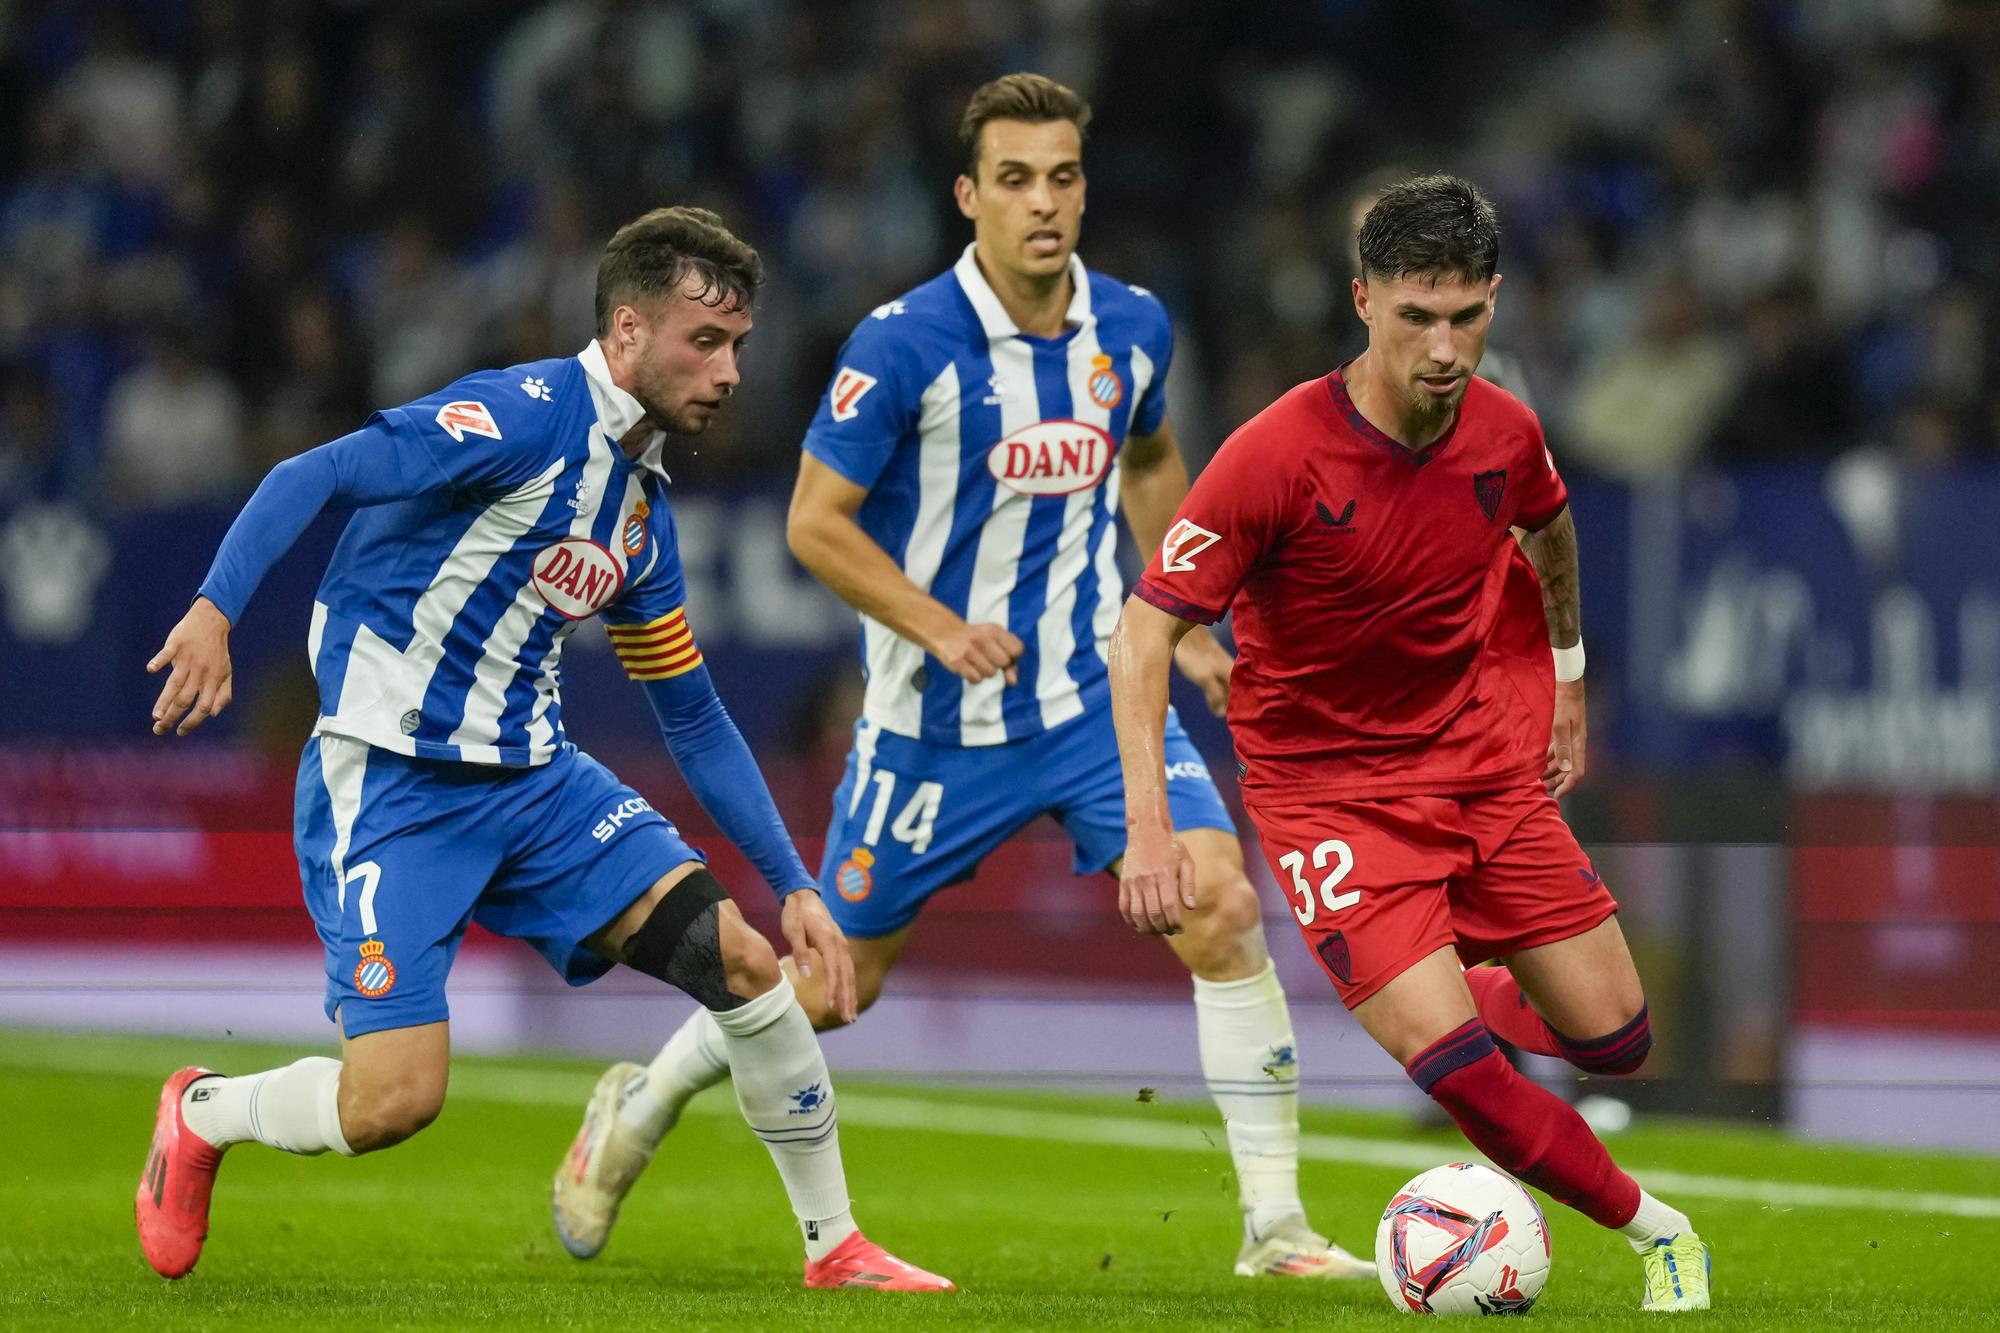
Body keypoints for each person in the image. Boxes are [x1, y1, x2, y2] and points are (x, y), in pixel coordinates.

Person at [554, 73, 1371, 1282]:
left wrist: (1187, 614)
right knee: (836, 985)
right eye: (1014, 180)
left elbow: (1151, 462)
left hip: (1096, 700)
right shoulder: (901, 346)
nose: (1043, 203)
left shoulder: (1133, 327)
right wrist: (937, 626)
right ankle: (642, 1098)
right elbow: (815, 522)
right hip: (934, 726)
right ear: (966, 196)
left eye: (1063, 177)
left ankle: (1275, 1231)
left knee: (1221, 903)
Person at [134, 206, 951, 1293]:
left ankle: (834, 1246)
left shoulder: (638, 514)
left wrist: (795, 881)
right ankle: (201, 1110)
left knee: (746, 959)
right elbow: (312, 473)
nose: (729, 372)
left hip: (538, 787)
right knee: (392, 1102)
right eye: (704, 342)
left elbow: (694, 715)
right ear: (625, 330)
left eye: (740, 346)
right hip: (393, 783)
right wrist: (212, 610)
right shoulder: (518, 415)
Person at [1107, 175, 1712, 1313]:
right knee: (1455, 1075)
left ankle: (1470, 987)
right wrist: (1151, 827)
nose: (1442, 348)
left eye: (1465, 317)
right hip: (1328, 797)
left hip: (1477, 764)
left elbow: (1546, 521)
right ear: (1361, 302)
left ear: (1492, 300)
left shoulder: (1505, 428)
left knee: (1618, 1039)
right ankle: (1659, 1232)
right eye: (1413, 317)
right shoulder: (1273, 453)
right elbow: (1145, 633)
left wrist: (1567, 678)